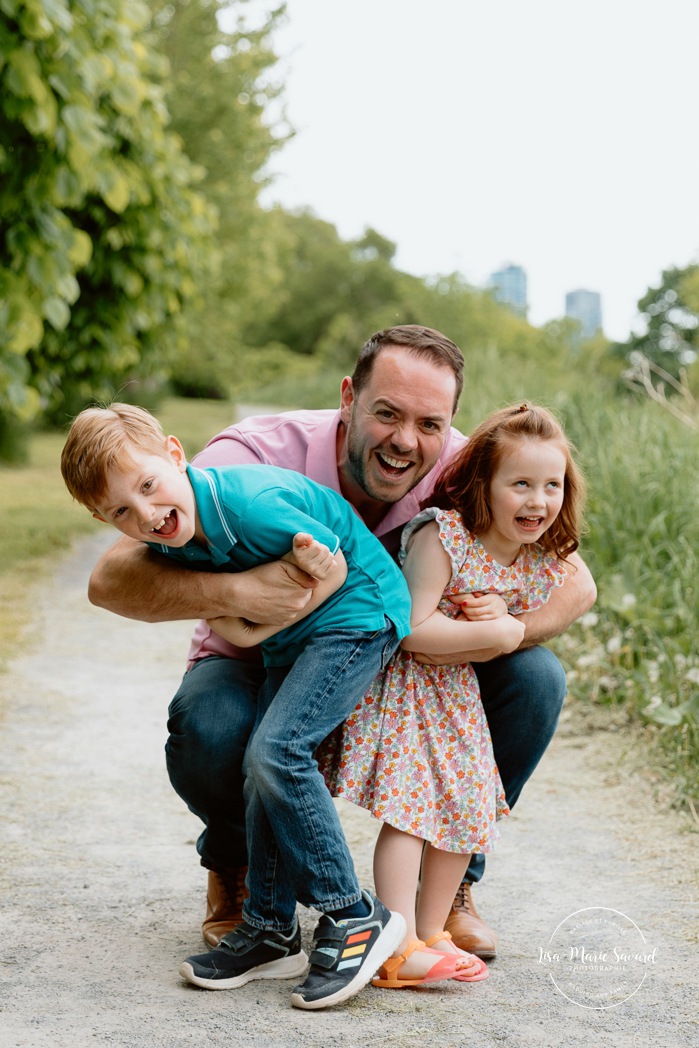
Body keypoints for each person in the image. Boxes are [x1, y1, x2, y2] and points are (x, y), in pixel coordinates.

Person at [87, 325, 597, 963]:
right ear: (349, 397)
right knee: (209, 722)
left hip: (393, 655)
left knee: (536, 677)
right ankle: (242, 871)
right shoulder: (252, 456)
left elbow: (575, 582)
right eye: (386, 413)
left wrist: (508, 626)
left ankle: (449, 881)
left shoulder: (466, 466)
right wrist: (241, 594)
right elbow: (111, 578)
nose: (406, 440)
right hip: (258, 656)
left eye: (430, 422)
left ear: (450, 423)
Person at [60, 403, 436, 1010]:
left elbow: (336, 570)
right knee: (256, 760)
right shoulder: (177, 537)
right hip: (296, 635)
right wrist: (257, 624)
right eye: (121, 512)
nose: (148, 515)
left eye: (150, 486)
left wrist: (307, 569)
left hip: (359, 615)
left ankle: (352, 915)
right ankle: (269, 926)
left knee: (278, 751)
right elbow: (234, 623)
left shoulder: (250, 507)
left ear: (177, 456)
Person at [319, 403, 585, 986]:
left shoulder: (533, 553)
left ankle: (433, 930)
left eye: (552, 486)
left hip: (456, 693)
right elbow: (410, 629)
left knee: (467, 808)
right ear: (483, 485)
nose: (538, 501)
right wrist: (497, 630)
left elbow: (579, 588)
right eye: (520, 484)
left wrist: (512, 619)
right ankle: (396, 942)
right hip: (407, 687)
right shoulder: (445, 537)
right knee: (412, 814)